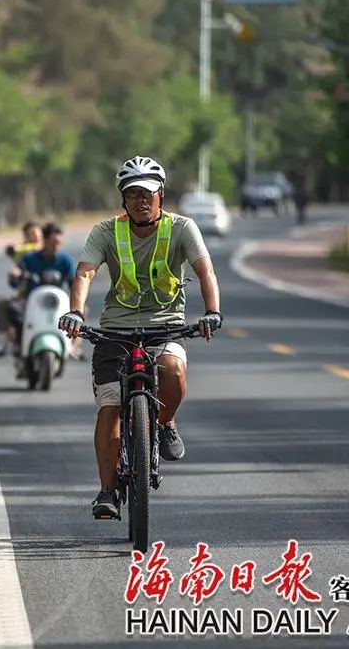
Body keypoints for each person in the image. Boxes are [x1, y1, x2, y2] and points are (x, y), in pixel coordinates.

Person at [58, 156, 222, 520]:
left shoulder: (182, 228)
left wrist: (211, 311)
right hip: (114, 329)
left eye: (147, 193)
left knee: (173, 370)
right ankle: (106, 491)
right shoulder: (105, 231)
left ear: (161, 195)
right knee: (110, 407)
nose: (140, 200)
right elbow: (84, 273)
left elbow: (205, 270)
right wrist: (75, 312)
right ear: (123, 199)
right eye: (132, 194)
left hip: (166, 326)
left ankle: (164, 423)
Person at [4, 221, 76, 353]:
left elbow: (74, 283)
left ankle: (73, 346)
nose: (56, 247)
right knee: (12, 308)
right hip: (31, 300)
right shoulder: (29, 258)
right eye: (53, 243)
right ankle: (20, 342)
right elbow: (16, 277)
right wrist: (15, 274)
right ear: (45, 240)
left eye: (58, 244)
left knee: (80, 312)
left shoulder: (65, 260)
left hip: (58, 302)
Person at [0, 220, 43, 357]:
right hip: (26, 295)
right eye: (31, 234)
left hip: (51, 296)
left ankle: (73, 346)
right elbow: (18, 251)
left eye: (37, 233)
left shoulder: (50, 251)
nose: (35, 237)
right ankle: (9, 342)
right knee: (7, 307)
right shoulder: (25, 254)